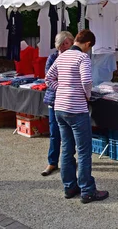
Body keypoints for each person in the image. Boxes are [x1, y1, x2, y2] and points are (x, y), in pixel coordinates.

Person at [45, 29, 109, 204]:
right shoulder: (82, 58)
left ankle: (69, 186)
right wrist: (86, 94)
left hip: (59, 108)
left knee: (66, 149)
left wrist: (62, 88)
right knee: (83, 151)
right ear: (87, 44)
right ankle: (87, 190)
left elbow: (48, 78)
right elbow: (87, 80)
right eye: (90, 47)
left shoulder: (62, 56)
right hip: (76, 109)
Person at [41, 31, 74, 177]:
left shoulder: (76, 57)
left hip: (70, 100)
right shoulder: (53, 57)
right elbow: (48, 78)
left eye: (67, 43)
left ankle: (69, 159)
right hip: (55, 100)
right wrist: (63, 86)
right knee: (54, 132)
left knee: (70, 133)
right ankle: (52, 162)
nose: (65, 46)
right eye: (62, 44)